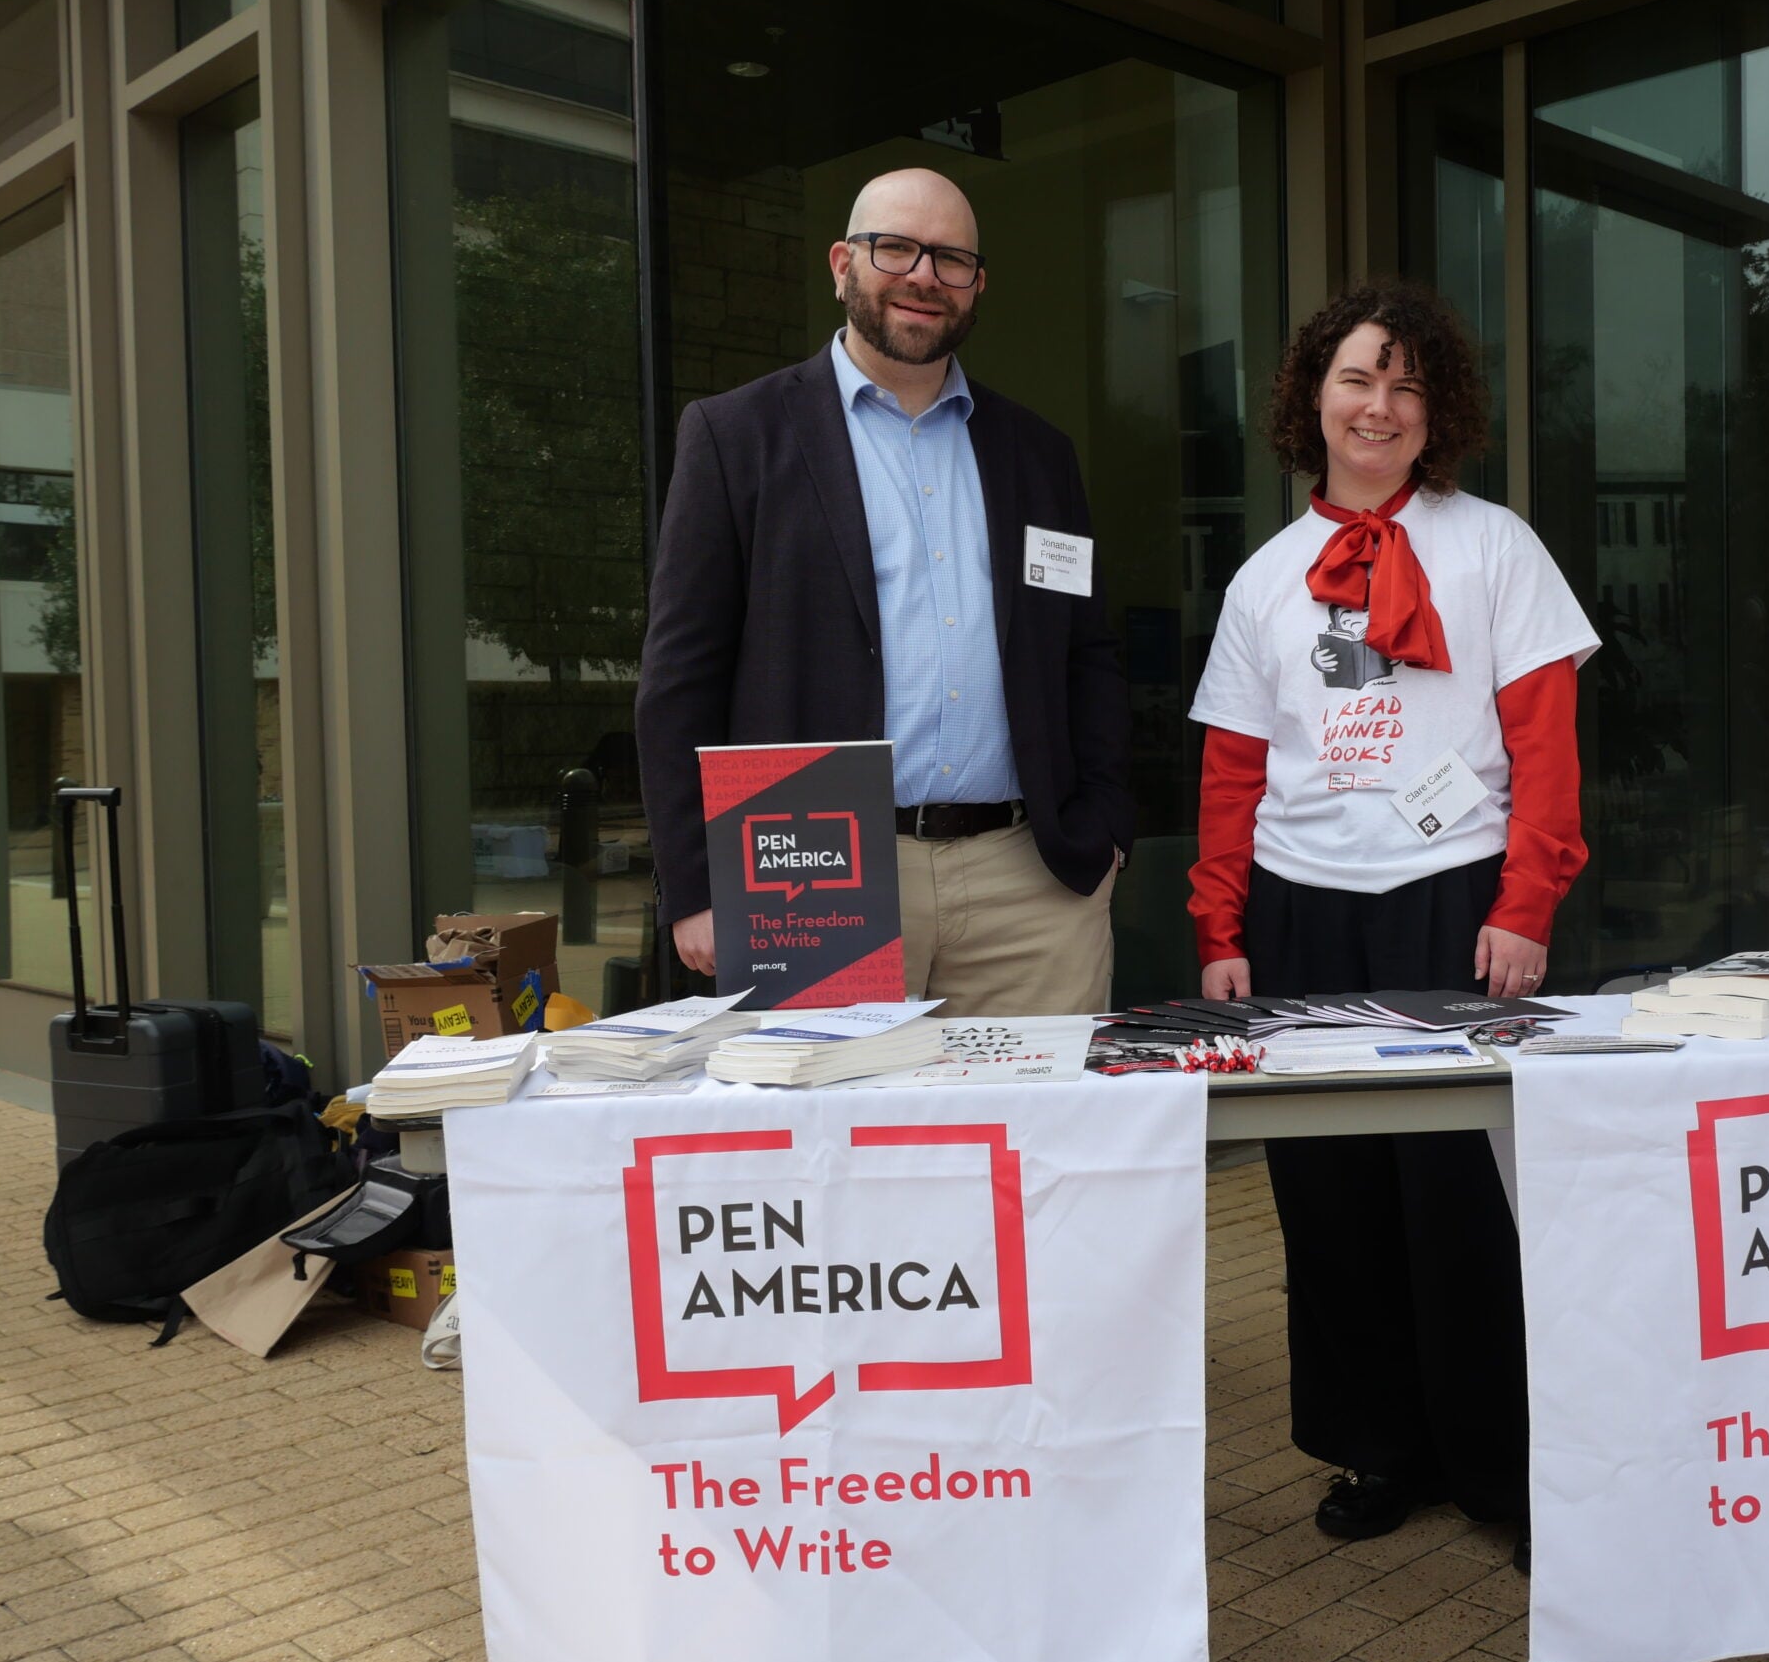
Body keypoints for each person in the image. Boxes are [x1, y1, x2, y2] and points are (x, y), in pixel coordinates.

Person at [1186, 281, 1596, 1566]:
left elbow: (1545, 749)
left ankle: (1502, 1467)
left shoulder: (1494, 549)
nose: (1381, 405)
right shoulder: (1262, 580)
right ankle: (1381, 1446)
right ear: (1315, 396)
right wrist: (1220, 928)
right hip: (1303, 918)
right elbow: (1231, 776)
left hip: (1452, 906)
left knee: (1465, 1197)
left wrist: (1526, 906)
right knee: (1332, 1195)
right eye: (1358, 379)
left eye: (1407, 385)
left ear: (1438, 414)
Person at [636, 168, 1131, 1015]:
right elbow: (680, 678)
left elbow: (1089, 656)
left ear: (978, 286)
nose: (924, 276)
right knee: (838, 1142)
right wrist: (695, 882)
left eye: (951, 259)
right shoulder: (735, 436)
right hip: (811, 867)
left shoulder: (1040, 454)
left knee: (1038, 1140)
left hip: (1030, 883)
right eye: (895, 248)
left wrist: (1107, 828)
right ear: (842, 264)